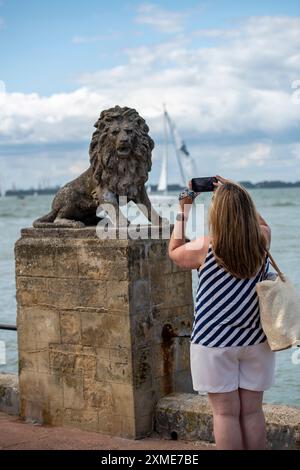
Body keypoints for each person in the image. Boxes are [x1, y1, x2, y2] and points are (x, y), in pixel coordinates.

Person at [168, 175, 275, 450]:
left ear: (217, 214)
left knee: (225, 414)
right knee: (252, 412)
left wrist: (184, 207)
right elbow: (262, 224)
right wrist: (237, 189)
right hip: (256, 340)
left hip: (214, 343)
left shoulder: (206, 247)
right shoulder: (262, 240)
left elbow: (174, 250)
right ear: (247, 209)